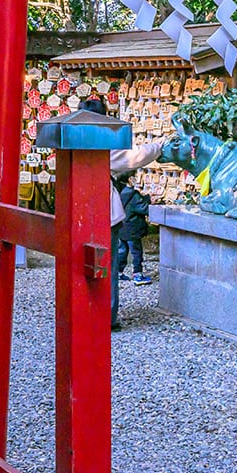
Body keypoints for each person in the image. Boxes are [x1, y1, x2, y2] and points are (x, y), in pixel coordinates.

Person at [81, 97, 161, 330]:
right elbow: (135, 156)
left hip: (78, 213)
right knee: (109, 265)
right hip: (105, 213)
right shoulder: (104, 143)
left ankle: (84, 313)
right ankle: (107, 317)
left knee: (82, 265)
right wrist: (160, 145)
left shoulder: (73, 141)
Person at [116, 174, 151, 285]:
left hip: (122, 227)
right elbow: (143, 208)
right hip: (133, 229)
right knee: (136, 252)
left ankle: (119, 272)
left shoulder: (119, 192)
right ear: (130, 179)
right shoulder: (133, 195)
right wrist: (149, 200)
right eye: (134, 177)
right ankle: (138, 275)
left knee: (122, 251)